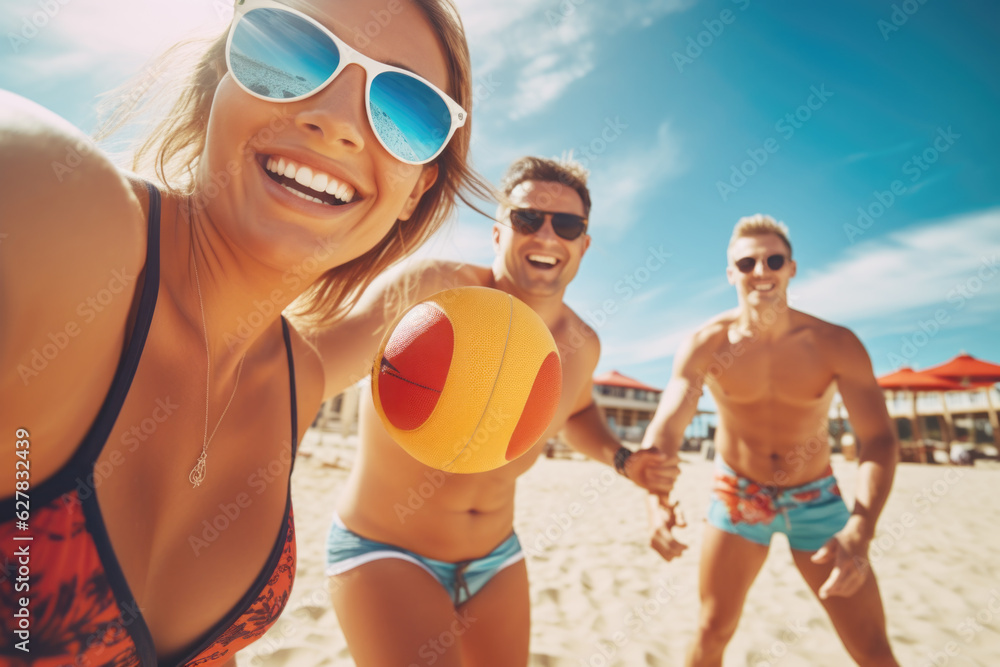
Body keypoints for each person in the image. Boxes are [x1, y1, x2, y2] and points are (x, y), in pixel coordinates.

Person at [0, 1, 487, 664]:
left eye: (406, 111)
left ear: (415, 191)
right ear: (215, 82)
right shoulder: (71, 228)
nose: (337, 122)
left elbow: (404, 302)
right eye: (292, 52)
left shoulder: (298, 377)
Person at [312, 156, 679, 666]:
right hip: (385, 548)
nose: (547, 236)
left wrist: (623, 460)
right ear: (498, 233)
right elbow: (317, 361)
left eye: (567, 225)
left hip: (496, 558)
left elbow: (577, 412)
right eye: (528, 219)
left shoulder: (580, 343)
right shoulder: (431, 293)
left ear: (584, 245)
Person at [642, 215, 901, 666]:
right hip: (738, 495)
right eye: (747, 263)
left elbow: (878, 439)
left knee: (872, 648)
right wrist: (654, 500)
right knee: (711, 632)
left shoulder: (834, 343)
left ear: (791, 268)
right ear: (731, 273)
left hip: (816, 498)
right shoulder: (706, 344)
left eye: (773, 260)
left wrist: (861, 527)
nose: (760, 271)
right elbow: (666, 427)